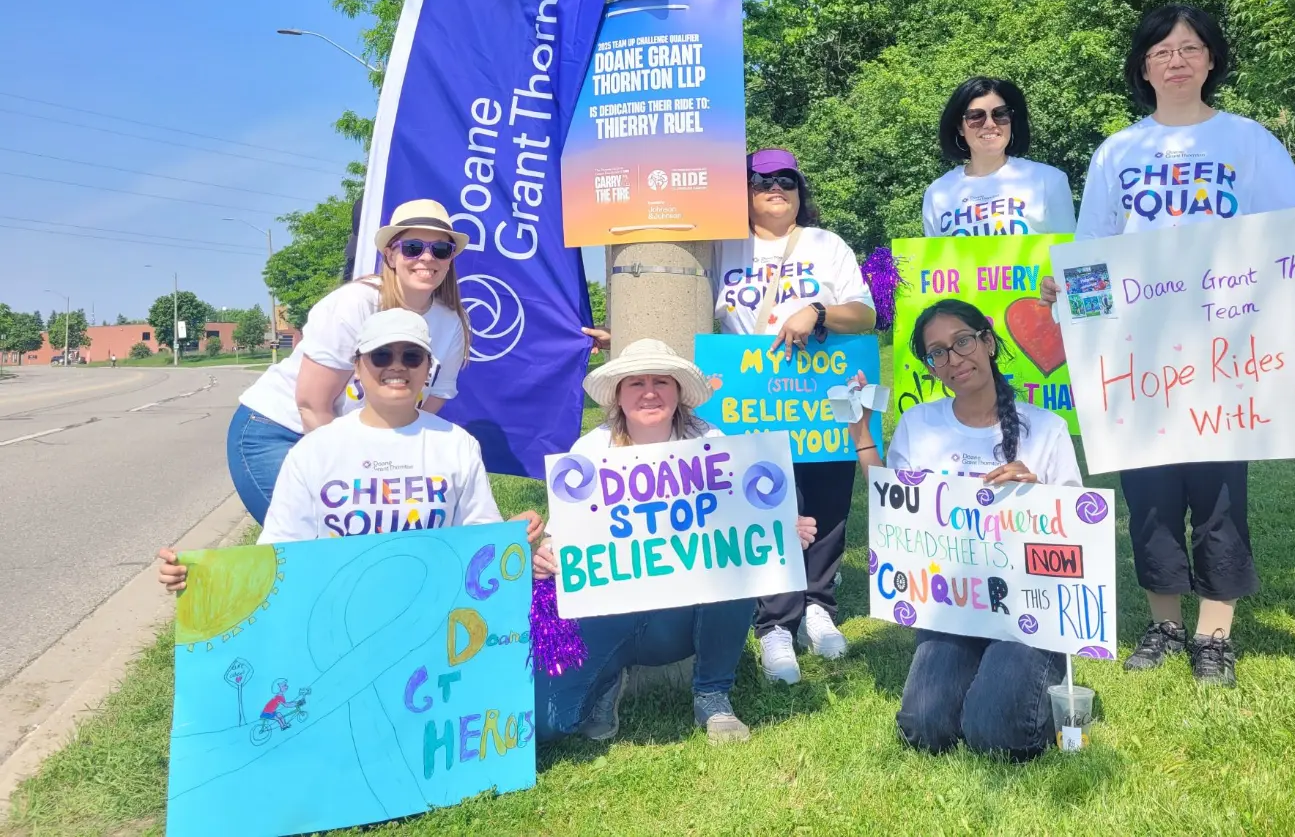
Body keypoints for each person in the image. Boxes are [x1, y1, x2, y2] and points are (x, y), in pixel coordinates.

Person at [1044, 2, 1295, 686]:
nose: (1175, 59)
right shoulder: (1117, 151)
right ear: (1143, 66)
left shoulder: (1247, 142)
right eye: (1161, 50)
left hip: (1227, 348)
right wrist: (1069, 296)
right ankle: (1164, 623)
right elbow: (1091, 248)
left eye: (1189, 47)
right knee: (1147, 493)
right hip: (1138, 353)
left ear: (1211, 59)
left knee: (1217, 491)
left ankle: (1214, 635)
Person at [531, 339, 817, 744]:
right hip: (612, 616)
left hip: (682, 620)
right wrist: (548, 557)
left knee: (731, 566)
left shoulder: (710, 440)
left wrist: (785, 534)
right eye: (636, 383)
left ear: (679, 391)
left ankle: (713, 693)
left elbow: (744, 521)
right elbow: (563, 539)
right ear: (618, 395)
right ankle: (605, 683)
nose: (650, 392)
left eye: (661, 382)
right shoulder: (590, 450)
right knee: (553, 723)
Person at [849, 298, 1081, 758]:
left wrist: (1038, 496)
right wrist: (862, 433)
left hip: (1027, 612)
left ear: (988, 342)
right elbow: (893, 506)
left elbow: (1078, 538)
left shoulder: (1047, 429)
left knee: (996, 736)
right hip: (951, 607)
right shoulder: (918, 425)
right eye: (938, 353)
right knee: (925, 730)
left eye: (963, 342)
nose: (954, 360)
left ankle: (1012, 676)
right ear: (932, 367)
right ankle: (977, 669)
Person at [160, 309, 541, 585]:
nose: (397, 366)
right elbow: (280, 551)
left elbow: (477, 537)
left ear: (428, 369)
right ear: (357, 368)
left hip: (433, 620)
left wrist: (509, 538)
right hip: (336, 622)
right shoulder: (317, 450)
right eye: (381, 356)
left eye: (411, 356)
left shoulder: (456, 445)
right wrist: (201, 576)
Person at [712, 148, 877, 685]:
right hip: (751, 398)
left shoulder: (828, 246)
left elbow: (867, 312)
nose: (773, 188)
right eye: (760, 180)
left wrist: (818, 310)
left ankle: (818, 604)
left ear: (801, 189)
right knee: (767, 497)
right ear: (744, 191)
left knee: (827, 496)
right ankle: (774, 621)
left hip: (821, 389)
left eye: (785, 179)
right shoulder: (720, 246)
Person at [227, 199, 472, 525]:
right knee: (318, 548)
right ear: (391, 254)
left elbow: (426, 405)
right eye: (413, 247)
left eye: (440, 249)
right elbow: (313, 405)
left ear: (450, 258)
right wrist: (356, 480)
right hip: (279, 430)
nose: (427, 258)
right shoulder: (356, 303)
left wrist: (393, 464)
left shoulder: (450, 324)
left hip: (346, 441)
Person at [923, 77, 1075, 237]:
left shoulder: (1048, 181)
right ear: (960, 127)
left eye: (1000, 114)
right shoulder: (937, 193)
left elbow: (1070, 256)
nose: (990, 124)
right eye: (975, 116)